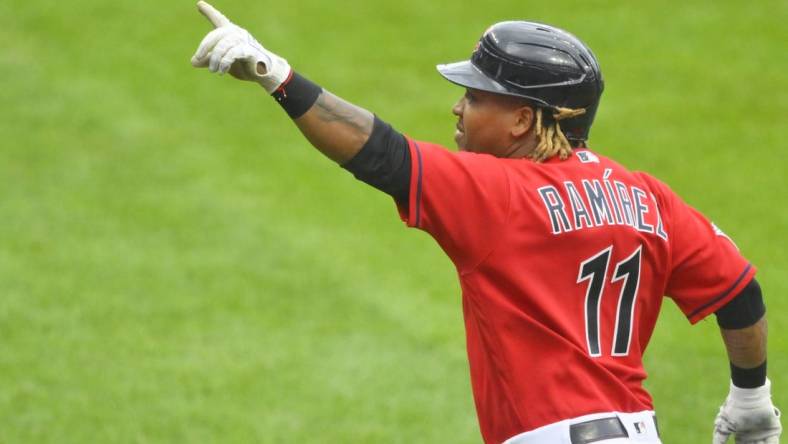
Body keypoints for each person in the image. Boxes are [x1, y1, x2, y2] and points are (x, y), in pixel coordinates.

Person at [189, 2, 782, 443]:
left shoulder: (499, 194)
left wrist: (276, 75)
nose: (458, 106)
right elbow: (739, 292)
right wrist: (752, 398)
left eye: (476, 97)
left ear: (522, 119)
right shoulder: (649, 198)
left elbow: (380, 153)